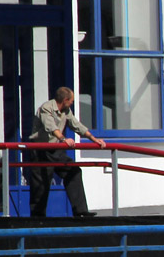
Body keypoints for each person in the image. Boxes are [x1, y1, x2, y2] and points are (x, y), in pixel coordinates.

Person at [27, 86, 107, 218]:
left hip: (56, 149)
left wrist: (94, 139)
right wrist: (64, 139)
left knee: (74, 171)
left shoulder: (66, 110)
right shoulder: (46, 108)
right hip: (41, 149)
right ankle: (37, 217)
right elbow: (50, 127)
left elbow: (76, 125)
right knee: (41, 184)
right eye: (71, 101)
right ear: (65, 100)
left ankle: (80, 211)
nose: (72, 103)